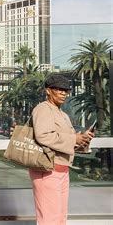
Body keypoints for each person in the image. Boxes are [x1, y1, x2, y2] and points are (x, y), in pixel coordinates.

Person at [29, 73, 94, 225]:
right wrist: (73, 139)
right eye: (59, 89)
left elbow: (66, 141)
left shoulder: (62, 114)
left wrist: (81, 140)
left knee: (59, 218)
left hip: (61, 171)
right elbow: (43, 136)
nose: (64, 93)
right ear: (48, 90)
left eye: (66, 90)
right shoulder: (43, 109)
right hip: (47, 171)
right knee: (50, 220)